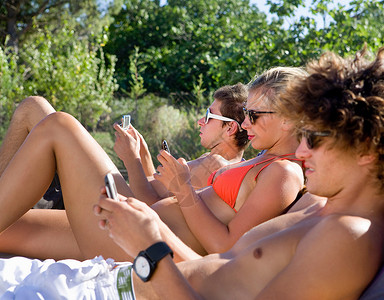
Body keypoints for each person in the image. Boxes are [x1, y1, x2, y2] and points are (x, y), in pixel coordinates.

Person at [94, 47, 384, 299]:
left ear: (367, 150)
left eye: (314, 138)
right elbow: (223, 269)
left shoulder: (347, 239)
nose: (300, 150)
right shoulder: (320, 205)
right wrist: (152, 232)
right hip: (120, 282)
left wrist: (148, 252)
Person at [0, 67, 305, 259]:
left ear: (289, 119)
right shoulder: (261, 161)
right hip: (124, 225)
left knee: (58, 124)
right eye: (245, 113)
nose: (245, 123)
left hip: (133, 245)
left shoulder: (283, 172)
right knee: (9, 230)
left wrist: (183, 189)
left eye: (254, 115)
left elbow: (226, 249)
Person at [112, 83, 249, 203]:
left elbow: (149, 204)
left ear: (230, 128)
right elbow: (159, 192)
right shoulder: (229, 164)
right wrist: (143, 152)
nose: (200, 121)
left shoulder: (215, 165)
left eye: (208, 115)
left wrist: (131, 159)